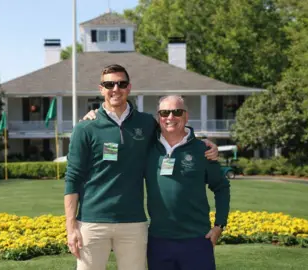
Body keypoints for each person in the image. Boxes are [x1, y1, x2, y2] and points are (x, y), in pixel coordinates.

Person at [64, 64, 219, 270]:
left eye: (121, 83)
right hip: (92, 222)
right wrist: (71, 227)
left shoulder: (146, 123)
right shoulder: (85, 128)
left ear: (129, 88)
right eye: (109, 84)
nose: (115, 89)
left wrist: (202, 144)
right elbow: (72, 178)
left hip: (133, 223)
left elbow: (173, 128)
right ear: (101, 89)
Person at [144, 95, 231, 270]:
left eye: (177, 112)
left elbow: (221, 187)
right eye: (165, 112)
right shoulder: (147, 147)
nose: (170, 117)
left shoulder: (202, 150)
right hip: (158, 241)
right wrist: (94, 114)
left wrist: (219, 225)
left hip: (197, 240)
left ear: (186, 116)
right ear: (158, 117)